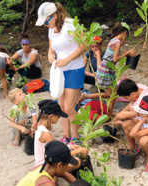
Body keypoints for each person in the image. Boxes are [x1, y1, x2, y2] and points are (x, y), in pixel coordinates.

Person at [36, 2, 86, 145]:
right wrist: (50, 55)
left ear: (55, 15)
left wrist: (68, 59)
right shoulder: (51, 29)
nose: (46, 25)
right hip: (59, 72)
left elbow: (84, 44)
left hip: (74, 69)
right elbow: (51, 48)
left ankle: (76, 138)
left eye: (46, 21)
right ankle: (66, 135)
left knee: (70, 107)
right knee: (61, 107)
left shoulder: (71, 24)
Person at [35, 100, 88, 174]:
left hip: (42, 163)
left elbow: (55, 147)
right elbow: (57, 155)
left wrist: (69, 147)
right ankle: (55, 175)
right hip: (45, 166)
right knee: (77, 161)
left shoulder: (40, 127)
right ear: (51, 116)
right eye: (58, 115)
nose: (59, 117)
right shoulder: (46, 134)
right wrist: (77, 151)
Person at [95, 22, 137, 115]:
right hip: (106, 70)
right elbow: (115, 59)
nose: (126, 39)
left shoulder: (113, 40)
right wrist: (127, 54)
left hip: (107, 69)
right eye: (127, 36)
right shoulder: (118, 43)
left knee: (114, 92)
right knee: (110, 94)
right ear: (125, 32)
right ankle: (86, 96)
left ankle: (110, 111)